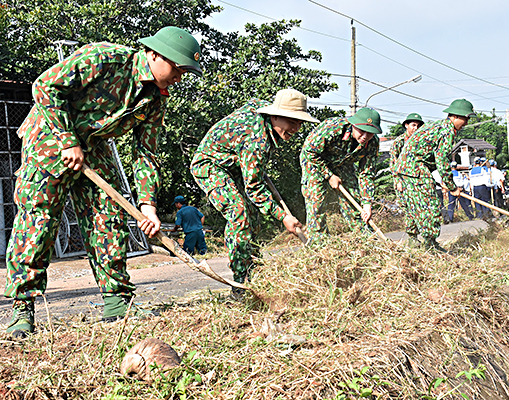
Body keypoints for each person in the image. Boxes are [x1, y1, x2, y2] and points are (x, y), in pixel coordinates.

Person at [4, 26, 203, 337]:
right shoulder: (105, 59)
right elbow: (44, 86)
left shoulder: (154, 100)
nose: (179, 78)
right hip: (50, 140)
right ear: (154, 54)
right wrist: (68, 141)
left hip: (94, 149)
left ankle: (116, 302)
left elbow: (145, 154)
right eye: (178, 69)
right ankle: (22, 309)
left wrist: (148, 206)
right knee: (38, 222)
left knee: (106, 219)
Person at [191, 89, 319, 298]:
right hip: (210, 165)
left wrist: (250, 163)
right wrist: (284, 216)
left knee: (254, 217)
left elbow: (251, 104)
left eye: (300, 123)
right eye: (292, 121)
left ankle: (255, 272)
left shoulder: (262, 117)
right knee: (239, 213)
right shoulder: (256, 140)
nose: (296, 129)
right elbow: (254, 188)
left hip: (233, 167)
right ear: (275, 115)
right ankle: (239, 284)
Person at [396, 99, 475, 252]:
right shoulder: (447, 131)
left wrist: (445, 182)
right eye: (466, 118)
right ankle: (429, 245)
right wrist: (452, 187)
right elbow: (442, 160)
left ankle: (416, 242)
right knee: (430, 205)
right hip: (415, 167)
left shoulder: (437, 125)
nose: (466, 123)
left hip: (408, 167)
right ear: (456, 117)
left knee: (416, 205)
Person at [300, 107, 381, 242]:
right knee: (316, 200)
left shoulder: (372, 143)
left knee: (354, 198)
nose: (365, 136)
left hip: (343, 164)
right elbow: (309, 152)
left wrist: (367, 203)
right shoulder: (333, 128)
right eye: (362, 131)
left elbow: (366, 173)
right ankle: (318, 241)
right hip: (315, 161)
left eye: (370, 133)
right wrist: (329, 175)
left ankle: (366, 238)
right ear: (353, 125)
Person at [389, 113, 425, 237]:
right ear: (406, 125)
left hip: (417, 180)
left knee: (420, 207)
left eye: (418, 126)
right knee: (409, 208)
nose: (415, 128)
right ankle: (412, 235)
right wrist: (398, 180)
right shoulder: (399, 142)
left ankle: (422, 234)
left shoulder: (420, 142)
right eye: (413, 125)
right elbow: (393, 162)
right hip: (402, 180)